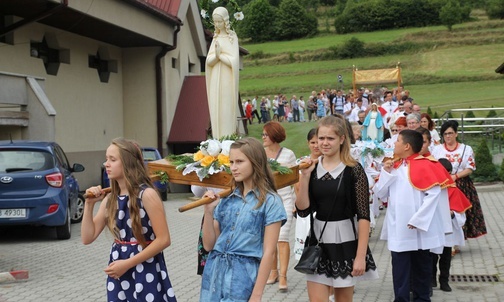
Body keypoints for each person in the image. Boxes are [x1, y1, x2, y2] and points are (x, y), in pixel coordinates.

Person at [81, 138, 177, 302]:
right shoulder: (110, 199)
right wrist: (89, 205)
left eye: (112, 159)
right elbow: (87, 237)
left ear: (128, 163)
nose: (106, 164)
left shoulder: (146, 195)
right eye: (106, 159)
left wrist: (127, 264)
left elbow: (164, 240)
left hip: (145, 269)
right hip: (119, 271)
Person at [296, 116, 379, 302]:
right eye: (321, 138)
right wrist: (305, 176)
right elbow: (302, 210)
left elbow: (364, 216)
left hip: (345, 240)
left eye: (330, 138)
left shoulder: (354, 170)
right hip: (318, 242)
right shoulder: (312, 168)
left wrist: (360, 256)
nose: (324, 143)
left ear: (342, 139)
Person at [200, 138, 287, 301]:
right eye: (231, 162)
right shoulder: (226, 198)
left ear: (256, 162)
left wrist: (257, 293)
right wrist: (208, 211)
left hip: (242, 278)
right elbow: (209, 245)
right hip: (214, 273)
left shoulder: (270, 201)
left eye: (239, 162)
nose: (233, 167)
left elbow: (269, 252)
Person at [374, 130, 451, 302]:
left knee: (422, 269)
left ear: (407, 146)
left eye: (397, 141)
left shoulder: (427, 165)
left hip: (420, 230)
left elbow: (434, 195)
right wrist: (386, 173)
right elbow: (380, 193)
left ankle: (422, 299)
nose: (394, 144)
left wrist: (419, 219)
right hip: (400, 228)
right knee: (400, 270)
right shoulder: (394, 166)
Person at [432, 120, 487, 244]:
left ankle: (458, 240)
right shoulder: (437, 150)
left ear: (456, 134)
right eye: (445, 134)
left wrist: (456, 176)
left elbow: (470, 167)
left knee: (461, 212)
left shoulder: (466, 149)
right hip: (443, 185)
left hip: (462, 184)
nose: (448, 136)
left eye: (450, 133)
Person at [262, 121, 297, 292]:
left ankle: (283, 276)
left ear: (274, 136)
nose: (263, 137)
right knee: (269, 240)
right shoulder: (260, 154)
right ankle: (273, 272)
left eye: (265, 135)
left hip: (285, 200)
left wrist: (297, 201)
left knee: (282, 239)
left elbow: (295, 179)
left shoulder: (288, 154)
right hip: (265, 201)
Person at [205, 7, 239, 138]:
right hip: (215, 79)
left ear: (225, 21)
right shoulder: (216, 38)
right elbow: (208, 62)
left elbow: (234, 61)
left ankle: (228, 138)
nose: (217, 24)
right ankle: (217, 139)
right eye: (215, 22)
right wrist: (216, 56)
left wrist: (220, 56)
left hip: (226, 79)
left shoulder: (232, 37)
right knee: (215, 108)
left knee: (225, 108)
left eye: (220, 21)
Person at [293, 128, 321, 261]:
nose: (316, 146)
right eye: (312, 142)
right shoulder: (301, 163)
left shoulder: (328, 162)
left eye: (318, 142)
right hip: (306, 209)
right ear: (308, 143)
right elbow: (297, 188)